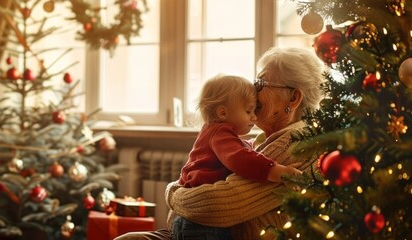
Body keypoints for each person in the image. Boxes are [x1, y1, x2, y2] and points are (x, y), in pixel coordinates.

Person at [115, 47, 326, 240]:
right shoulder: (260, 139)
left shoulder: (297, 143)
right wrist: (177, 193)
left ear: (293, 98)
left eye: (261, 83)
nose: (253, 89)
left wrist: (173, 193)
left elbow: (215, 206)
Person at [172, 75, 302, 240]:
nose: (254, 117)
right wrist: (277, 171)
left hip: (192, 221)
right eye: (248, 111)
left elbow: (238, 149)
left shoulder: (213, 132)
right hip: (204, 226)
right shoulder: (220, 133)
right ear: (223, 112)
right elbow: (239, 158)